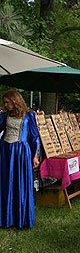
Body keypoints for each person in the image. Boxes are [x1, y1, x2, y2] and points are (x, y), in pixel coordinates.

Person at [0, 90, 39, 229]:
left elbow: (34, 137)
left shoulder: (29, 115)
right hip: (5, 151)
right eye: (4, 102)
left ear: (15, 101)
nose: (5, 105)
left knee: (20, 182)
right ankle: (6, 218)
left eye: (7, 102)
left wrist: (35, 156)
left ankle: (20, 218)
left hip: (21, 152)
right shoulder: (4, 116)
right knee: (6, 182)